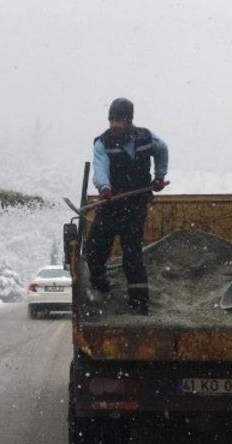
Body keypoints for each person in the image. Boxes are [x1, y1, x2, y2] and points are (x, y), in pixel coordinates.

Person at [86, 98, 169, 315]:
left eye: (119, 120)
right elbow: (100, 167)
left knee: (132, 256)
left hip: (136, 206)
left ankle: (139, 303)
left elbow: (163, 150)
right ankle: (100, 287)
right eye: (111, 119)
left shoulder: (146, 138)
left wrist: (160, 176)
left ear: (129, 120)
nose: (114, 125)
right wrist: (104, 187)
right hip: (110, 204)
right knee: (94, 250)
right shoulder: (102, 143)